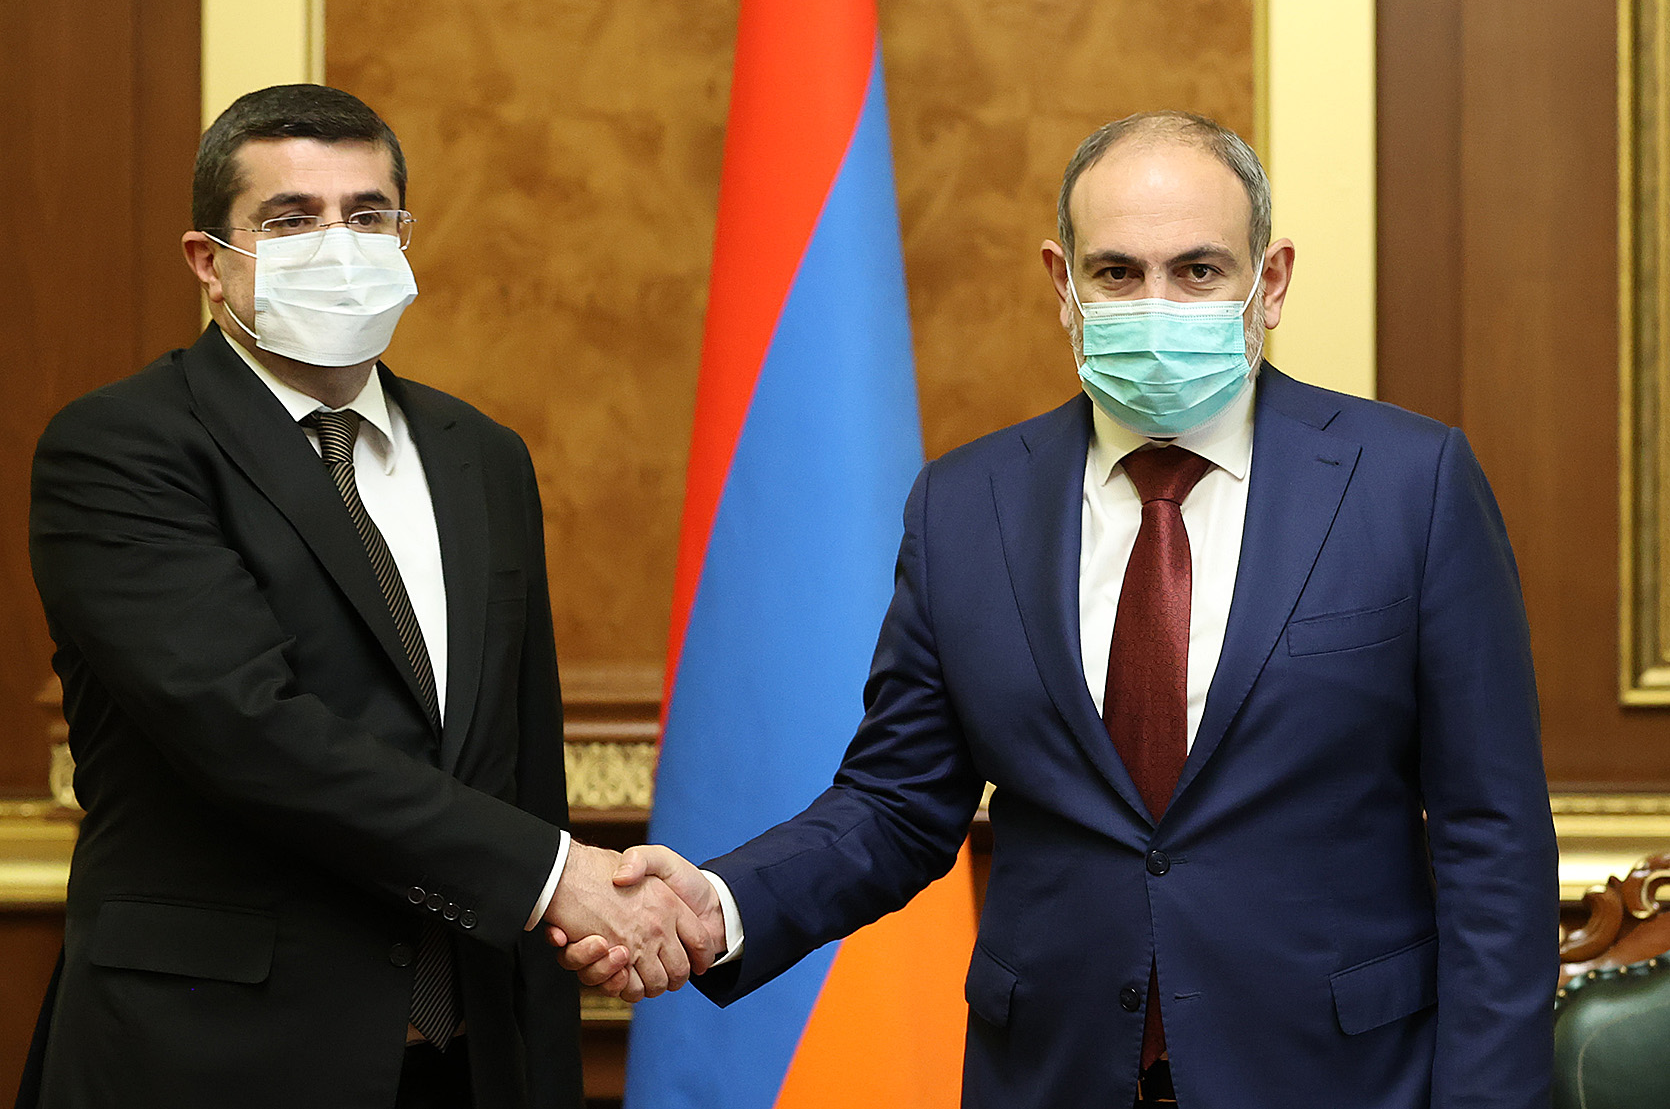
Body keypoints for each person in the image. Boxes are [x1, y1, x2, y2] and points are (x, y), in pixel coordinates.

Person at [557, 112, 1559, 1108]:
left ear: (1271, 281)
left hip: (1339, 1078)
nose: (1155, 305)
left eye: (1197, 271)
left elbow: (1493, 838)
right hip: (1052, 1074)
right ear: (1061, 283)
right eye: (1117, 273)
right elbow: (897, 803)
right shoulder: (965, 505)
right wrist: (720, 905)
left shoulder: (1410, 485)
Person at [18, 84, 709, 1109]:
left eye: (368, 215)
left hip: (463, 1058)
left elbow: (519, 760)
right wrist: (552, 876)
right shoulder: (121, 448)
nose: (338, 245)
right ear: (209, 260)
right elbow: (249, 731)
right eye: (291, 220)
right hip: (215, 1059)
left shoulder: (482, 455)